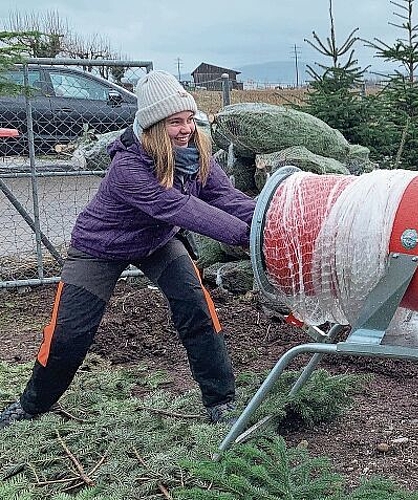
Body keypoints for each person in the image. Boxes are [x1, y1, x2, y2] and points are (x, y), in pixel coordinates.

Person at [0, 70, 256, 428]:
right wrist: (248, 237)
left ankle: (221, 402)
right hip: (100, 248)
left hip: (157, 243)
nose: (185, 130)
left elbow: (225, 197)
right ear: (152, 126)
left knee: (196, 307)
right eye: (174, 123)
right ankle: (30, 406)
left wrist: (270, 217)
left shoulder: (196, 154)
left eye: (189, 120)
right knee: (70, 332)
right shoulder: (128, 167)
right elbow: (180, 208)